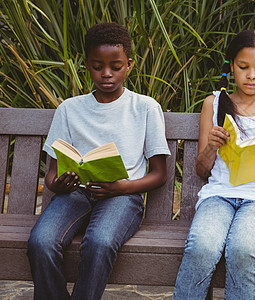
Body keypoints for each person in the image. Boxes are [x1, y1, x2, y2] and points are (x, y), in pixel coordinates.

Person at [27, 22, 170, 300]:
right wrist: (62, 184)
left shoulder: (145, 107)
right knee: (41, 242)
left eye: (115, 66)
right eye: (97, 66)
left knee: (100, 242)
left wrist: (120, 188)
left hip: (122, 197)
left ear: (129, 64)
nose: (106, 74)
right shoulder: (69, 109)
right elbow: (52, 175)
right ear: (86, 65)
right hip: (76, 194)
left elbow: (159, 173)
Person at [172, 29, 255, 300]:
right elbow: (202, 170)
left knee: (242, 248)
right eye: (243, 67)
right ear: (231, 67)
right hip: (219, 195)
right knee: (202, 247)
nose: (251, 75)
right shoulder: (214, 104)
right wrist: (211, 146)